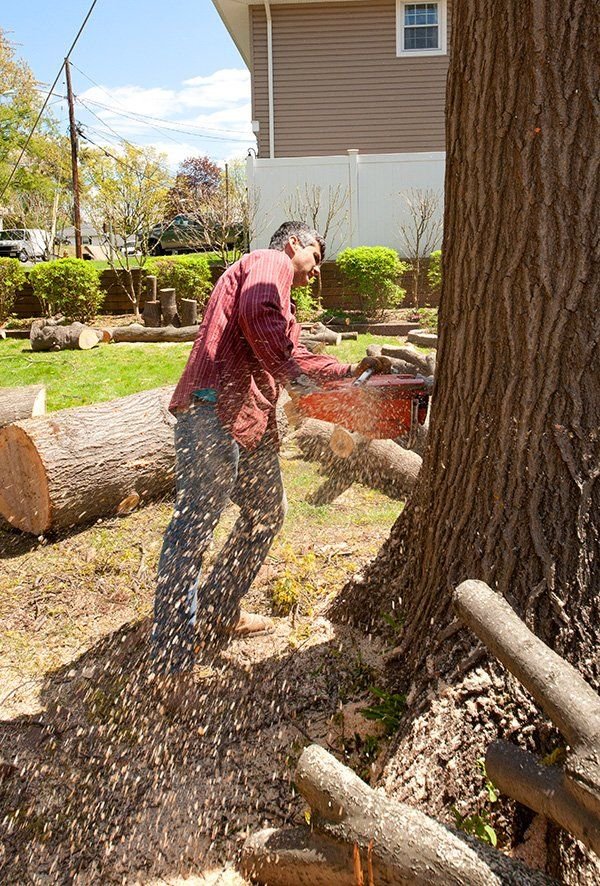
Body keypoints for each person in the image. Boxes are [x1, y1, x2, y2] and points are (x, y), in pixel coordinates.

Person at [150, 221, 390, 708]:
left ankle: (217, 611)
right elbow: (272, 336)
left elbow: (291, 353)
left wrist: (349, 372)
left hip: (248, 419)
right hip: (212, 410)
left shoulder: (284, 298)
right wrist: (303, 383)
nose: (316, 270)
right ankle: (170, 664)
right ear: (294, 243)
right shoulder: (269, 264)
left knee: (267, 512)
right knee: (193, 528)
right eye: (316, 257)